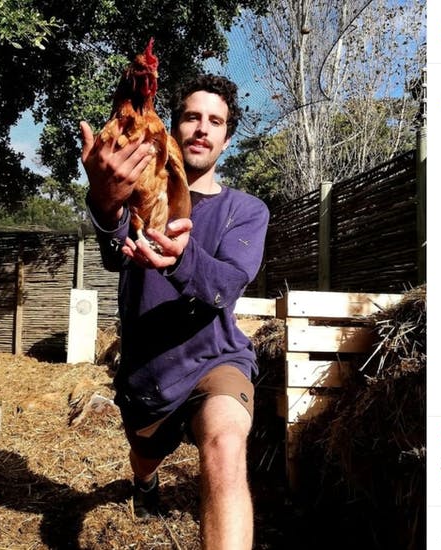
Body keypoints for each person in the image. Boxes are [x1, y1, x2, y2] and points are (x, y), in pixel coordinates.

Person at [80, 74, 269, 550]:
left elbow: (227, 284)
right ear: (173, 126)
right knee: (144, 457)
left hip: (216, 358)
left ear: (227, 137)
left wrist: (184, 257)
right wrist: (104, 199)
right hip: (149, 371)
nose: (202, 128)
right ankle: (145, 483)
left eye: (215, 121)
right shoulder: (139, 195)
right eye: (191, 117)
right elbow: (111, 243)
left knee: (226, 447)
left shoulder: (244, 210)